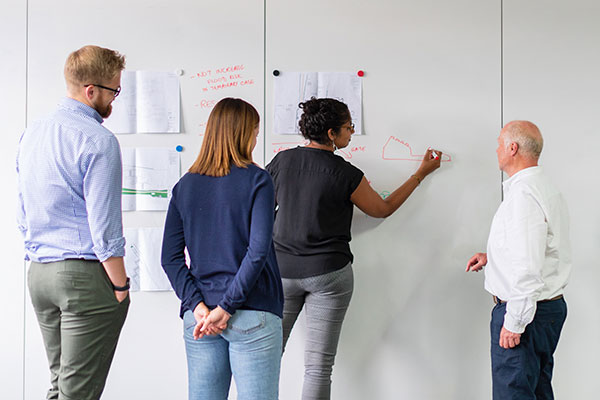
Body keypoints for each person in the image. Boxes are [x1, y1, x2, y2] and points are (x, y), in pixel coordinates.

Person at [265, 97, 442, 399]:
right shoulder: (345, 173)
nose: (352, 133)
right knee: (318, 367)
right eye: (348, 128)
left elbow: (262, 209)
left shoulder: (282, 162)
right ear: (332, 134)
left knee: (266, 358)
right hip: (328, 275)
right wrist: (419, 174)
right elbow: (382, 209)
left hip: (280, 272)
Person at [16, 45, 130, 400]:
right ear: (90, 90)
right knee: (78, 393)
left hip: (39, 274)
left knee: (61, 386)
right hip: (81, 277)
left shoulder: (32, 132)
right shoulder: (98, 140)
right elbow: (105, 228)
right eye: (113, 90)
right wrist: (121, 286)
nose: (115, 99)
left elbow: (23, 208)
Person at [161, 97, 284, 400]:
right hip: (252, 312)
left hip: (200, 316)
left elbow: (170, 258)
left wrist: (199, 306)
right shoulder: (258, 180)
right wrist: (227, 307)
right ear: (244, 134)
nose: (256, 139)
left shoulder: (185, 185)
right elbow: (257, 252)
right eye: (255, 131)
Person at [466, 120, 571, 399]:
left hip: (526, 312)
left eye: (500, 143)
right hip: (544, 310)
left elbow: (527, 267)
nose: (497, 149)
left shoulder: (523, 195)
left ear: (513, 148)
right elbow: (539, 248)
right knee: (536, 391)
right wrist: (494, 257)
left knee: (513, 394)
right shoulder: (542, 187)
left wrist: (515, 322)